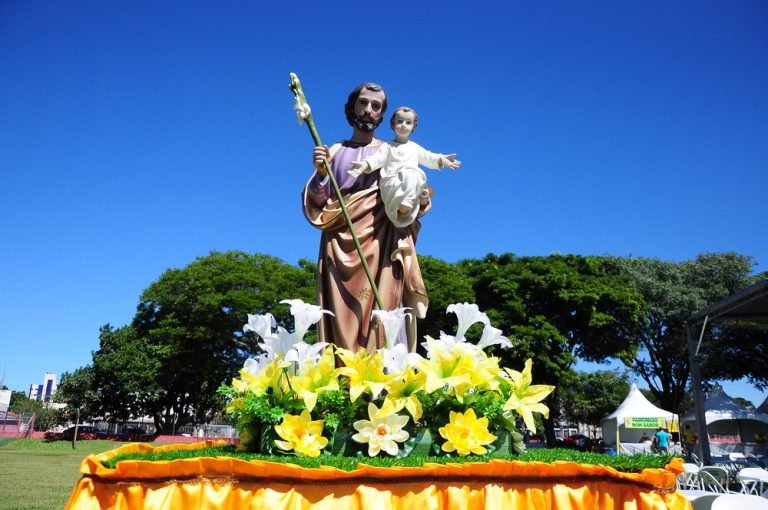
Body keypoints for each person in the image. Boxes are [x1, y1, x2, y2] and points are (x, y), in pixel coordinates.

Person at [302, 83, 429, 353]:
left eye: (376, 106)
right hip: (339, 245)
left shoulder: (392, 150)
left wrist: (418, 197)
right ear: (352, 107)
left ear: (383, 114)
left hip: (381, 243)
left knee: (384, 314)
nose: (368, 109)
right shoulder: (335, 150)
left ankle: (382, 375)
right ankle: (340, 372)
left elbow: (413, 194)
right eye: (363, 102)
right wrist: (322, 174)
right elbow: (317, 203)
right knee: (339, 317)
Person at [349, 106, 460, 228]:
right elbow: (377, 159)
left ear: (413, 127)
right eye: (400, 121)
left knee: (416, 175)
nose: (403, 125)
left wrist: (441, 159)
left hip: (410, 183)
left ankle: (408, 203)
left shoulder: (414, 147)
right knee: (413, 174)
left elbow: (428, 157)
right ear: (393, 124)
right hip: (392, 183)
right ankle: (409, 200)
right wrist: (365, 164)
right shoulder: (388, 146)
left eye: (408, 123)